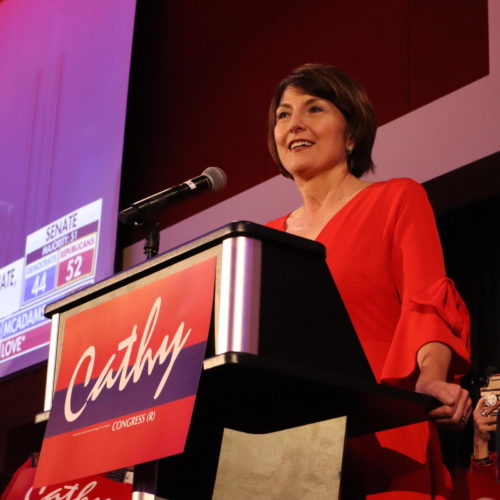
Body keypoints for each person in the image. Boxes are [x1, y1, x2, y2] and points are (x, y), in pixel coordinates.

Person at [266, 63, 472, 499]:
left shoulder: (396, 199)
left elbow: (427, 302)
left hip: (382, 428)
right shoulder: (263, 238)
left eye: (314, 108)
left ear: (353, 132)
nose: (294, 124)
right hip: (284, 448)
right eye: (283, 115)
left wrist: (431, 378)